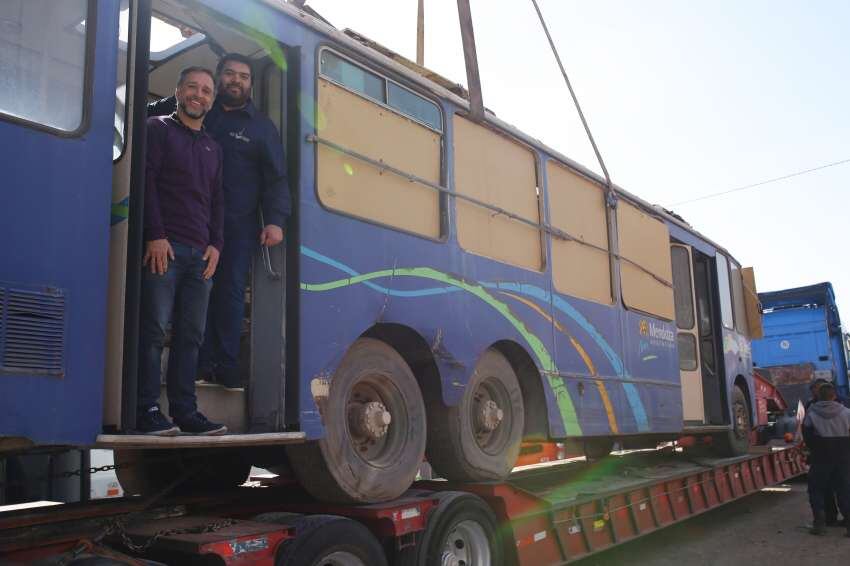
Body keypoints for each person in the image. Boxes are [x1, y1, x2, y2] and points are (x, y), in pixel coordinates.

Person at [149, 53, 289, 389]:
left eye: (243, 76)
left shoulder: (262, 128)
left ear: (251, 84)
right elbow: (156, 115)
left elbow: (277, 178)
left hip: (237, 227)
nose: (236, 81)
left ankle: (224, 366)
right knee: (187, 297)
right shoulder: (197, 108)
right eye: (229, 74)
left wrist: (275, 220)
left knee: (227, 295)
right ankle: (190, 368)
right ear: (218, 78)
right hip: (188, 223)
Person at [137, 66, 227, 436]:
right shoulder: (156, 129)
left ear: (211, 99)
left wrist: (217, 245)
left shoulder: (213, 147)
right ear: (178, 91)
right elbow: (146, 182)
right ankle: (145, 410)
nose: (199, 95)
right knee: (154, 331)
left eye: (206, 90)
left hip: (200, 256)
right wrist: (155, 234)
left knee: (191, 336)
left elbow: (218, 201)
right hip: (165, 249)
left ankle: (186, 413)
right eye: (192, 87)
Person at [801, 382, 850, 536]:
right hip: (843, 456)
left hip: (821, 456)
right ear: (834, 396)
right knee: (844, 490)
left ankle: (820, 524)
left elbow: (807, 435)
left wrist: (814, 448)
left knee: (816, 490)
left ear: (818, 396)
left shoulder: (811, 413)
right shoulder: (847, 412)